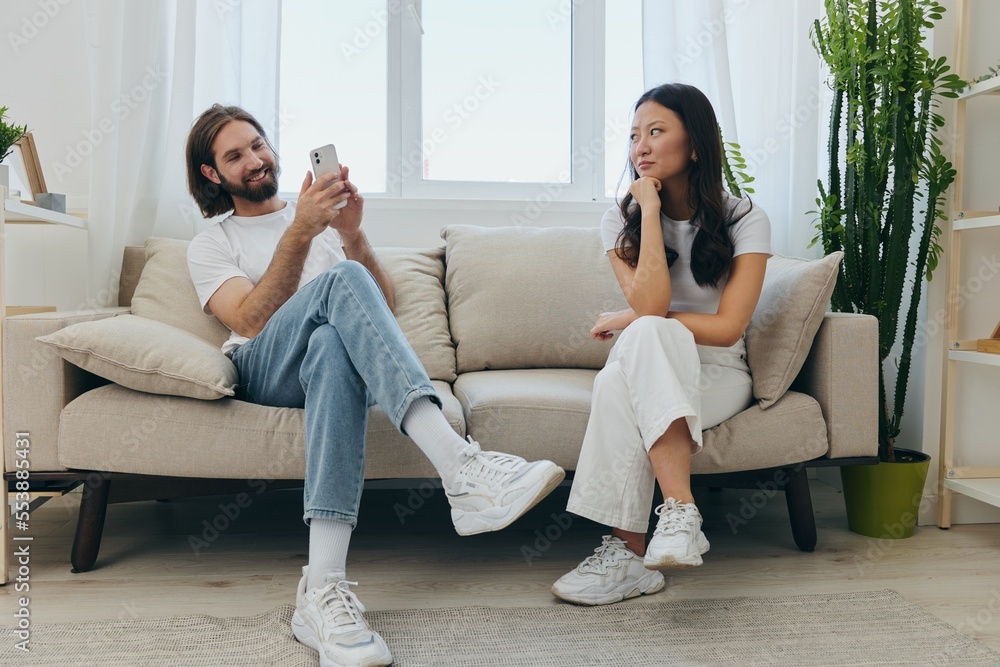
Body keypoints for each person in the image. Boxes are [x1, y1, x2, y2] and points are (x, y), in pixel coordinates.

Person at [184, 104, 565, 666]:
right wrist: (302, 232)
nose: (256, 159)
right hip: (265, 367)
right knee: (339, 284)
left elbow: (380, 315)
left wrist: (352, 235)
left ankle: (323, 591)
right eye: (235, 155)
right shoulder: (211, 242)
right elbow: (248, 321)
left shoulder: (325, 228)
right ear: (213, 175)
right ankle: (459, 467)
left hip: (322, 361)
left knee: (335, 346)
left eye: (258, 145)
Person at [550, 83, 771, 606]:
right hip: (648, 358)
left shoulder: (745, 219)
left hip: (715, 373)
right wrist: (648, 214)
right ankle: (678, 513)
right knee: (639, 347)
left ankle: (626, 554)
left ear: (694, 144)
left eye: (655, 132)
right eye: (633, 137)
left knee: (634, 351)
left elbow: (728, 329)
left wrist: (637, 318)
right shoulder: (618, 219)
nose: (640, 148)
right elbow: (650, 309)